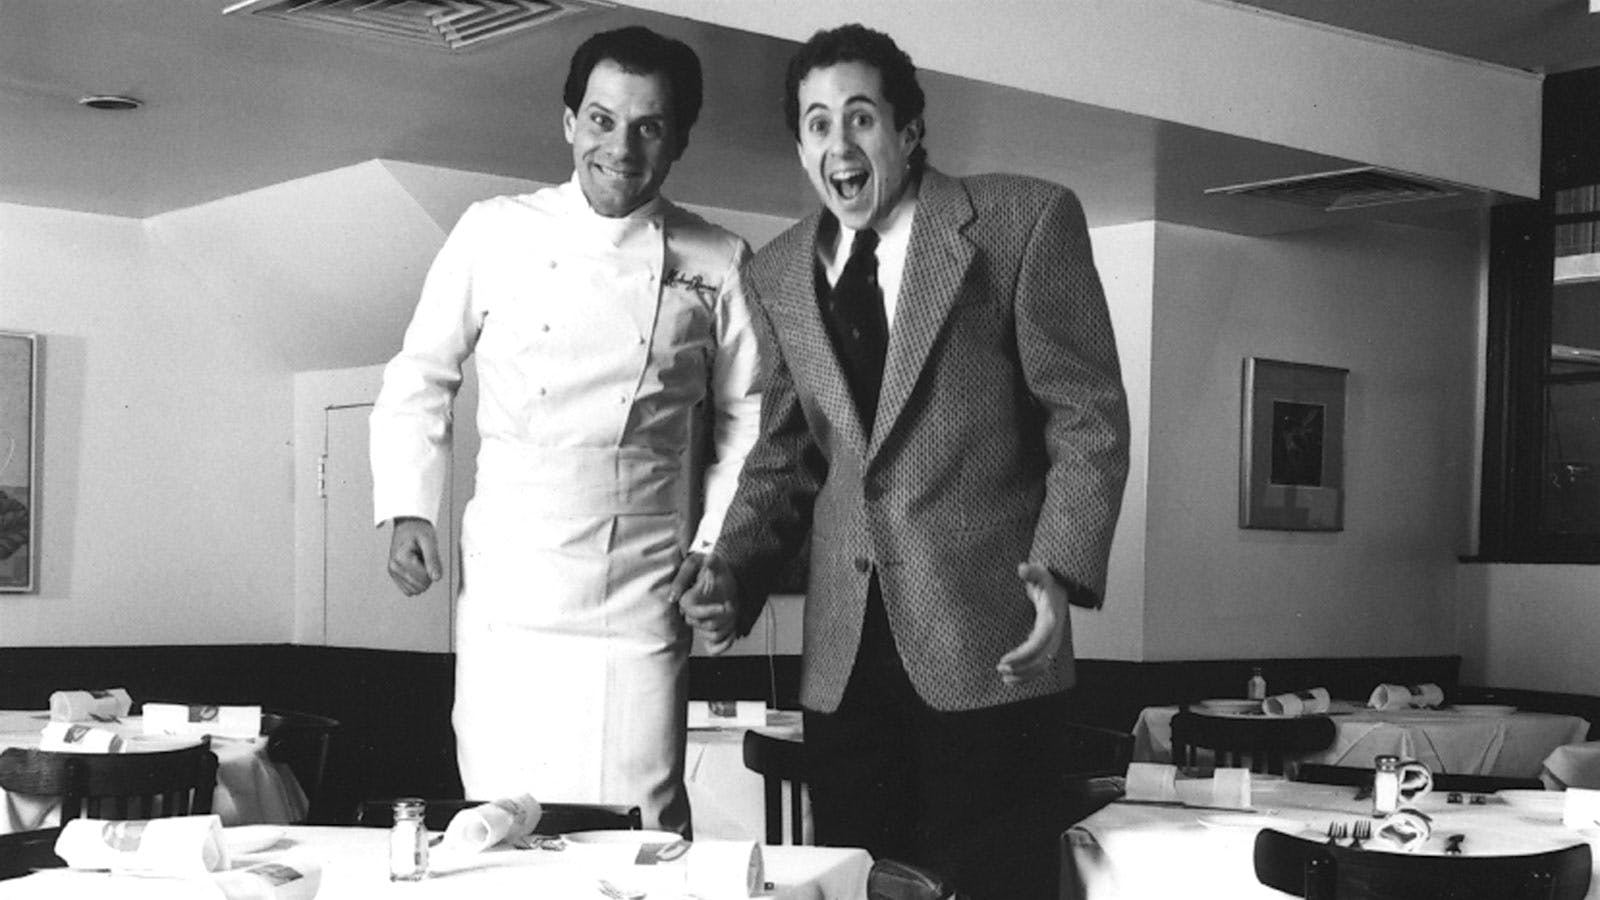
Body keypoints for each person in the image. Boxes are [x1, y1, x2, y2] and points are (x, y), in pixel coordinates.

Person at [673, 23, 1129, 899]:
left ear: (910, 130)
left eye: (861, 118)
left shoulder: (1022, 221)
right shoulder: (777, 274)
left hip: (991, 650)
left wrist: (1062, 573)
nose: (838, 145)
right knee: (861, 887)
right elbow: (785, 455)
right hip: (846, 672)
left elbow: (1089, 417)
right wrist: (732, 568)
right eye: (815, 124)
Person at [370, 25, 761, 835]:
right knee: (498, 818)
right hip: (511, 585)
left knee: (640, 819)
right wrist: (410, 506)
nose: (621, 148)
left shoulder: (718, 259)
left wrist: (714, 547)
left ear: (679, 138)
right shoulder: (493, 230)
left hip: (641, 582)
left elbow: (748, 417)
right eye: (602, 120)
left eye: (649, 126)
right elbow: (421, 374)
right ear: (568, 123)